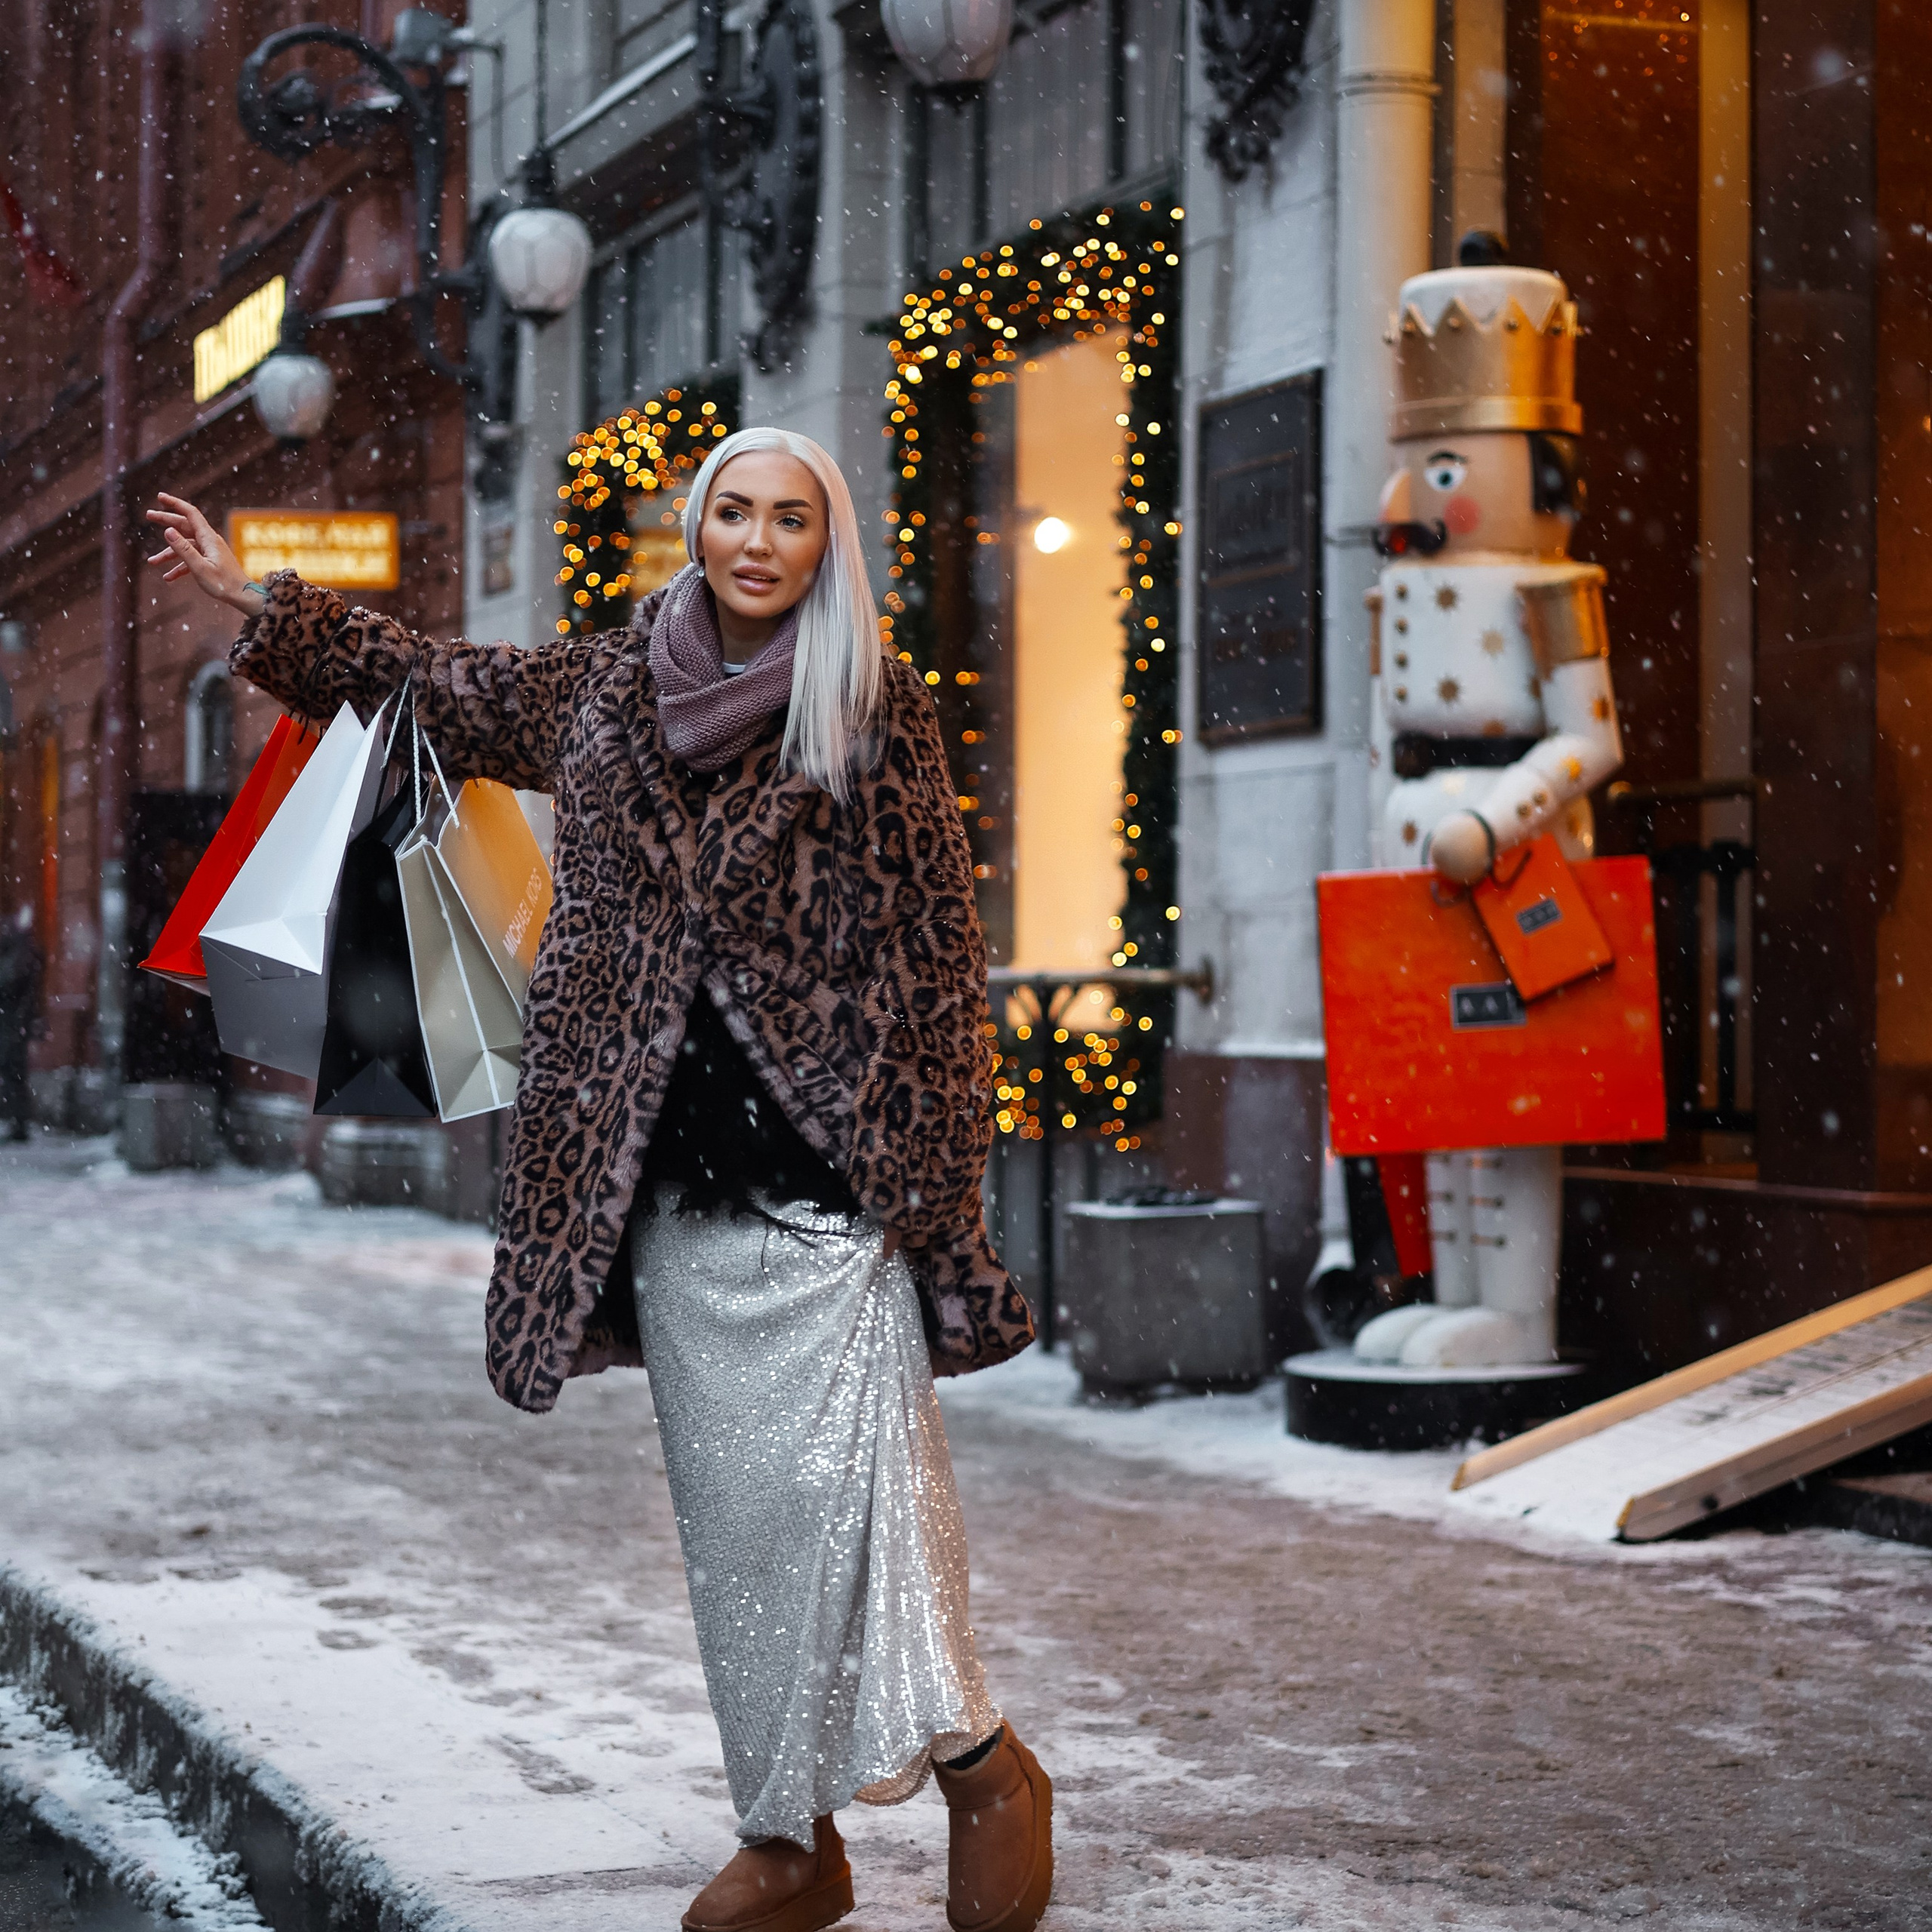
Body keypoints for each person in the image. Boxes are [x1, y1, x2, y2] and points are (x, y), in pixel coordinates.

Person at [144, 430, 1051, 1932]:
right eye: (734, 512)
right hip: (669, 1189)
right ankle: (788, 1838)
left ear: (828, 546)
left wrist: (932, 1185)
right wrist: (263, 605)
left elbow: (937, 962)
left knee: (872, 1497)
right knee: (738, 1534)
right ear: (696, 528)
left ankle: (978, 1761)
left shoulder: (867, 706)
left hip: (831, 1188)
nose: (758, 540)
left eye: (790, 519)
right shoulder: (610, 687)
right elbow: (432, 684)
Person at [0, 903, 43, 1141]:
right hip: (13, 1023)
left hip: (13, 1024)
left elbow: (9, 980)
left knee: (13, 1071)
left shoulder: (20, 952)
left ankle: (19, 1123)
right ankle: (16, 1121)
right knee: (12, 1072)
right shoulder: (19, 950)